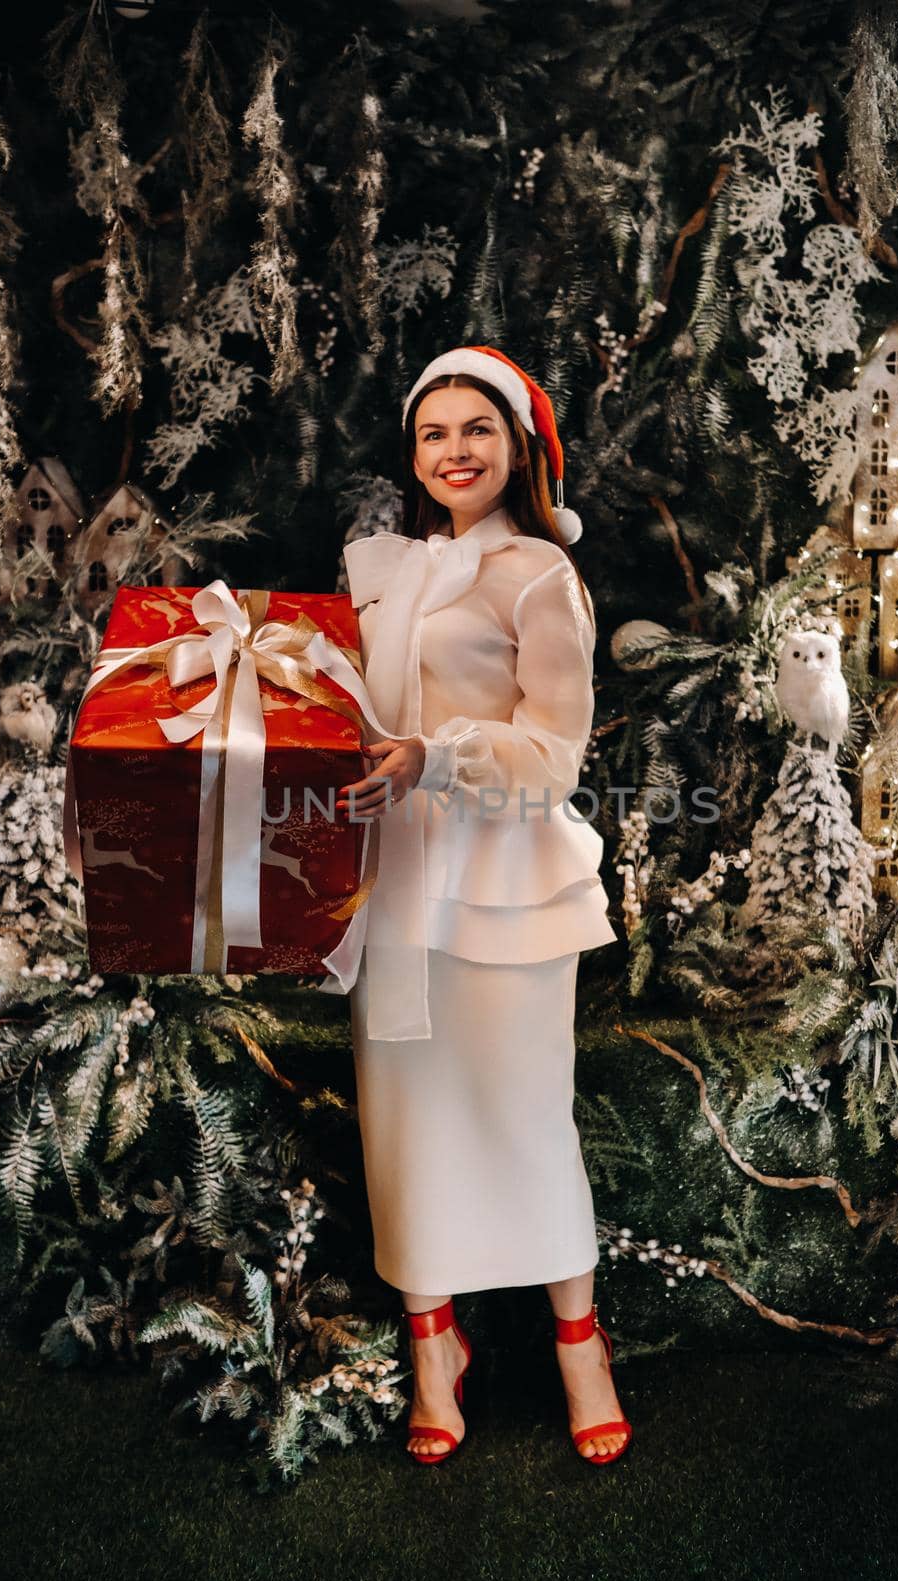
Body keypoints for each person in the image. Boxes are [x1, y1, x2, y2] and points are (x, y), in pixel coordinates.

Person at [325, 346, 632, 1466]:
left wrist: (438, 756)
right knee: (405, 1119)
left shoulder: (538, 577)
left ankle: (578, 1342)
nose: (454, 452)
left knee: (521, 1110)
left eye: (476, 431)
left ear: (516, 448)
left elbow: (553, 753)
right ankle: (432, 1344)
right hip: (391, 880)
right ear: (413, 454)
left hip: (504, 882)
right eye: (432, 434)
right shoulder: (377, 571)